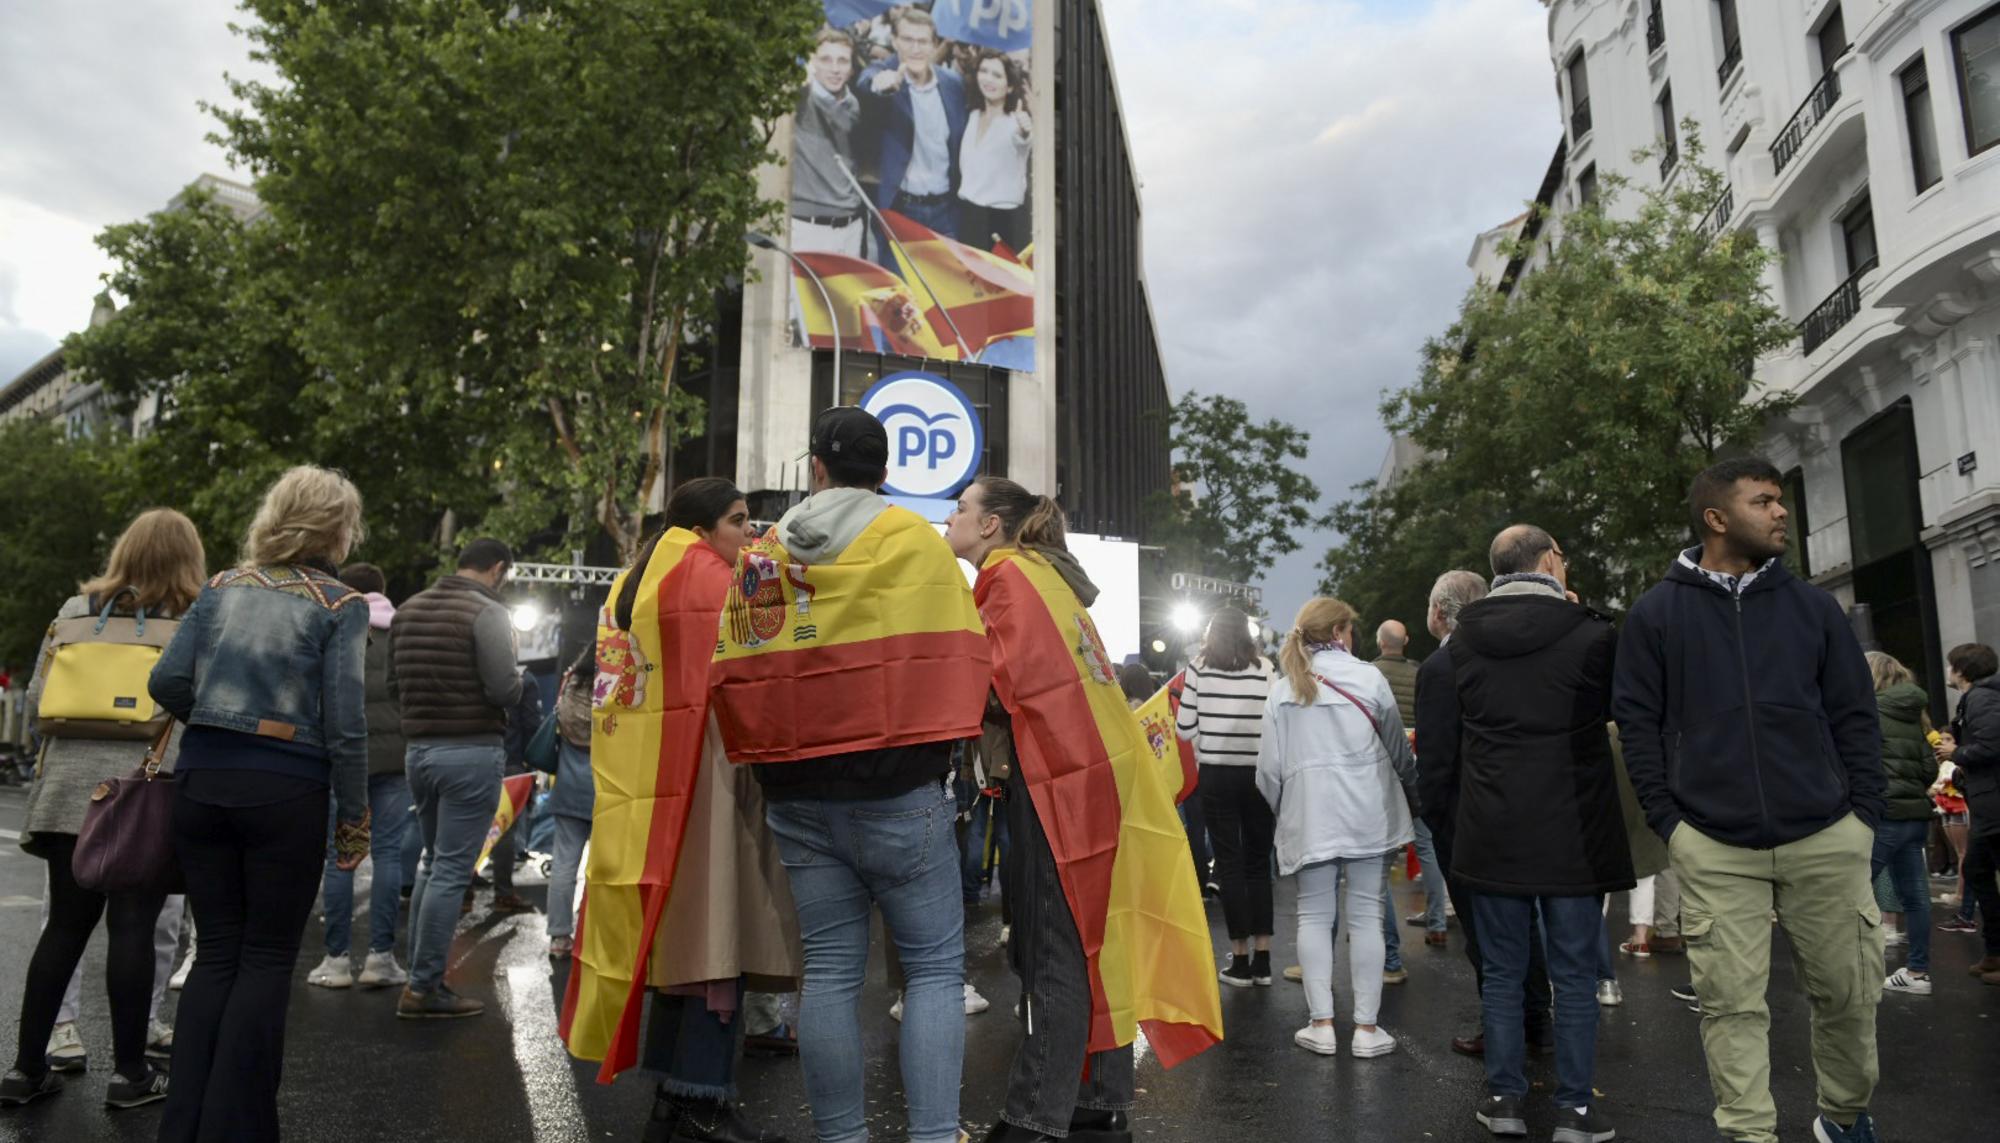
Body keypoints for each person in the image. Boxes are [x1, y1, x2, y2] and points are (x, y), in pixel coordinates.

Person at [710, 410, 990, 1143]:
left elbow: (739, 661)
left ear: (816, 468)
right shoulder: (911, 539)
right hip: (900, 787)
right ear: (885, 470)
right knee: (933, 972)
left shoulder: (766, 550)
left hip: (796, 789)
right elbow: (962, 652)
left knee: (830, 971)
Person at [1613, 457, 1887, 1143]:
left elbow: (1856, 716)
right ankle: (1749, 1134)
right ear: (1716, 518)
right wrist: (1673, 824)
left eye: (1779, 500)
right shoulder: (1655, 615)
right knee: (1730, 1005)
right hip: (1713, 844)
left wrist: (1863, 816)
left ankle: (1844, 1117)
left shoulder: (1814, 608)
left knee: (1850, 995)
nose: (1780, 511)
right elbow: (1637, 727)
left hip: (1826, 833)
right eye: (1762, 501)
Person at [945, 475, 1221, 1141]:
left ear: (991, 525)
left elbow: (999, 685)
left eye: (961, 507)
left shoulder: (1007, 576)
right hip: (1096, 776)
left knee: (1053, 951)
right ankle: (1098, 1095)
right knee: (1097, 941)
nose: (950, 517)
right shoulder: (1047, 577)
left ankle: (1034, 1114)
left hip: (1058, 783)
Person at [560, 477, 799, 1143]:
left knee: (676, 949)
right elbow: (763, 665)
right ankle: (701, 1100)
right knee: (713, 943)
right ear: (699, 531)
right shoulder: (706, 578)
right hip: (708, 780)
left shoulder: (632, 583)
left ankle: (674, 1099)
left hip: (646, 791)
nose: (749, 534)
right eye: (738, 521)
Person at [146, 468, 372, 1140]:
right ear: (337, 528)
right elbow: (346, 725)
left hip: (203, 781)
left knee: (216, 953)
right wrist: (354, 817)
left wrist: (217, 718)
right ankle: (236, 1127)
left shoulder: (221, 587)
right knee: (267, 957)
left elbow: (166, 680)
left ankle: (184, 1124)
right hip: (286, 789)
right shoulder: (340, 603)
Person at [0, 509, 205, 1111]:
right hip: (147, 788)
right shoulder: (192, 618)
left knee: (64, 926)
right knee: (134, 926)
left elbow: (39, 698)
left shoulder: (74, 612)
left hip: (68, 790)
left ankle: (25, 1069)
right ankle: (130, 1074)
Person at [1446, 525, 1631, 1143]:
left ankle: (1505, 1099)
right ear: (1550, 560)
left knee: (1502, 972)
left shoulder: (1463, 637)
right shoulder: (1593, 633)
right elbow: (1617, 715)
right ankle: (1576, 1109)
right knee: (1574, 975)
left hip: (1492, 824)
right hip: (1573, 826)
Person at [1256, 598, 1414, 1060]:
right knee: (1367, 916)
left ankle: (1321, 1024)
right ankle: (1367, 1029)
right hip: (1368, 812)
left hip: (1310, 815)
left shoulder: (1282, 690)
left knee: (1312, 915)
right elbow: (1398, 750)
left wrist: (1288, 808)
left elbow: (1267, 772)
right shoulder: (1370, 678)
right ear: (1341, 631)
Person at [1414, 570, 1556, 1060]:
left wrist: (1434, 817)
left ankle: (1504, 1027)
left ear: (1439, 612)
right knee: (1523, 921)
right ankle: (1537, 1021)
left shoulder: (1441, 666)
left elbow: (1435, 759)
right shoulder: (1510, 656)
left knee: (1483, 932)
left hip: (1463, 818)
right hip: (1518, 808)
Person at [391, 537, 525, 1019]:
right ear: (498, 569)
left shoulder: (409, 609)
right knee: (451, 870)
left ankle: (418, 976)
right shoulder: (487, 612)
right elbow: (504, 689)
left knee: (433, 865)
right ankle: (424, 987)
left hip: (419, 751)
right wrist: (520, 679)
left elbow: (392, 686)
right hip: (470, 752)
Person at [305, 563, 411, 991]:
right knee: (388, 854)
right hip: (395, 757)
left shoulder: (333, 626)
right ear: (382, 590)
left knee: (340, 856)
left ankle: (336, 961)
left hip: (342, 757)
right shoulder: (402, 633)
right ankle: (381, 958)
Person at [1175, 606, 1276, 987]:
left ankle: (1240, 959)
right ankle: (1264, 960)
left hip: (1216, 776)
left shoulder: (1198, 669)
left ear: (1211, 634)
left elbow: (1184, 729)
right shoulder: (1265, 669)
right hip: (1258, 775)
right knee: (1258, 863)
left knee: (1229, 864)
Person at [1865, 651, 1939, 995]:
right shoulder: (1914, 716)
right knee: (1916, 897)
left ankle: (1838, 976)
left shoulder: (1870, 711)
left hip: (1882, 814)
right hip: (1915, 816)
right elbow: (1929, 769)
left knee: (1847, 891)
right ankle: (1917, 972)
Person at [859, 8, 968, 242]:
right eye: (908, 40)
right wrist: (880, 85)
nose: (915, 49)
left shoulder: (953, 84)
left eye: (922, 41)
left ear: (934, 45)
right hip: (900, 209)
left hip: (946, 213)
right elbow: (866, 82)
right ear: (894, 41)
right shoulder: (886, 75)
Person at [1374, 619, 1449, 949]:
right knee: (1426, 844)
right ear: (1405, 642)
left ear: (1380, 642)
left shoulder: (1370, 674)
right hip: (1416, 761)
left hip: (1382, 765)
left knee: (1380, 850)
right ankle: (1437, 921)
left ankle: (1374, 922)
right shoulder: (1421, 671)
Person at [1937, 642, 2000, 983]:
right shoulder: (1979, 698)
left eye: (1951, 666)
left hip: (1994, 806)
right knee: (1976, 868)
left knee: (1979, 869)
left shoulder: (1981, 698)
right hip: (1987, 803)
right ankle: (1994, 953)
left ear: (1961, 670)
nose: (1948, 672)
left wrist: (1956, 753)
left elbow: (1991, 746)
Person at [792, 28, 866, 258]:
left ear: (851, 68)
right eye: (825, 59)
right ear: (813, 62)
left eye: (842, 61)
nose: (835, 68)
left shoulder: (853, 104)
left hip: (850, 226)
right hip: (808, 226)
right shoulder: (802, 97)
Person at [543, 649, 593, 960]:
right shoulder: (620, 685)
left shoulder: (570, 682)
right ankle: (595, 933)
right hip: (608, 789)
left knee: (563, 864)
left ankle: (559, 937)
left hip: (569, 787)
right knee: (605, 868)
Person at [957, 48, 1031, 253]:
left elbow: (1023, 139)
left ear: (1010, 87)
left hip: (1002, 220)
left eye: (997, 75)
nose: (988, 79)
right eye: (984, 71)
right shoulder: (973, 115)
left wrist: (1025, 129)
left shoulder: (1015, 123)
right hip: (969, 216)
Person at [487, 681, 546, 914]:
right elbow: (531, 724)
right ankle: (503, 892)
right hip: (511, 759)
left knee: (471, 826)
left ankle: (465, 891)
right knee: (504, 828)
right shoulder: (524, 681)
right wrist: (531, 760)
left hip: (474, 753)